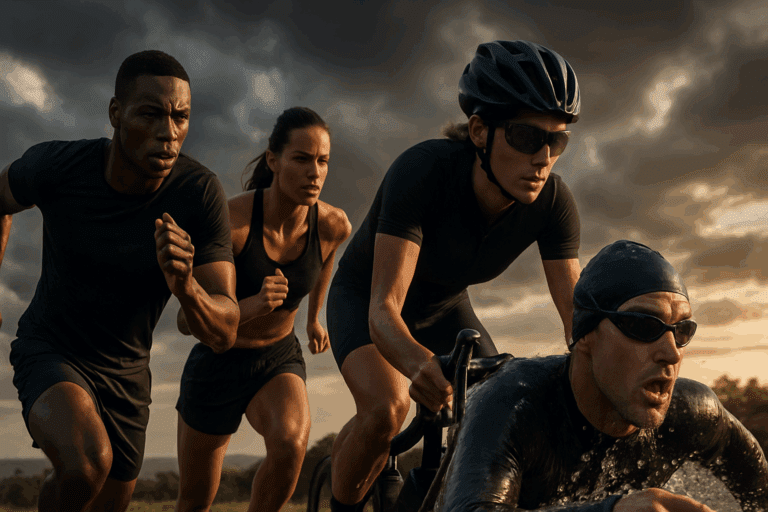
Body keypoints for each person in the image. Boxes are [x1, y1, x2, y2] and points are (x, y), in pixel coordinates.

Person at [325, 40, 583, 511]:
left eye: (558, 141)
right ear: (480, 131)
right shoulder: (423, 171)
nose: (543, 157)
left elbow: (579, 325)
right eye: (527, 137)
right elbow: (384, 310)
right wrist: (417, 363)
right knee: (386, 409)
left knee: (500, 413)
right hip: (366, 300)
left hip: (446, 310)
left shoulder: (553, 204)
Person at [0, 50, 239, 512]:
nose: (168, 133)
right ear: (116, 113)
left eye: (181, 117)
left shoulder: (198, 193)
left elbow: (225, 330)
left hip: (128, 375)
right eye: (150, 114)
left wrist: (186, 287)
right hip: (50, 348)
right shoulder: (58, 166)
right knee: (87, 464)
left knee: (104, 496)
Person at [435, 240, 768, 512]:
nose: (672, 352)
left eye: (681, 330)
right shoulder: (509, 404)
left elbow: (760, 491)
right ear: (583, 336)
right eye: (643, 325)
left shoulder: (692, 414)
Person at [174, 107, 352, 512]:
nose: (315, 172)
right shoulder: (231, 223)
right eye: (302, 159)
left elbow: (324, 260)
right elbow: (187, 321)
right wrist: (253, 305)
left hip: (277, 356)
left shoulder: (333, 225)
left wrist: (313, 317)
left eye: (323, 161)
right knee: (195, 500)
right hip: (218, 359)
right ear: (273, 160)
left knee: (290, 445)